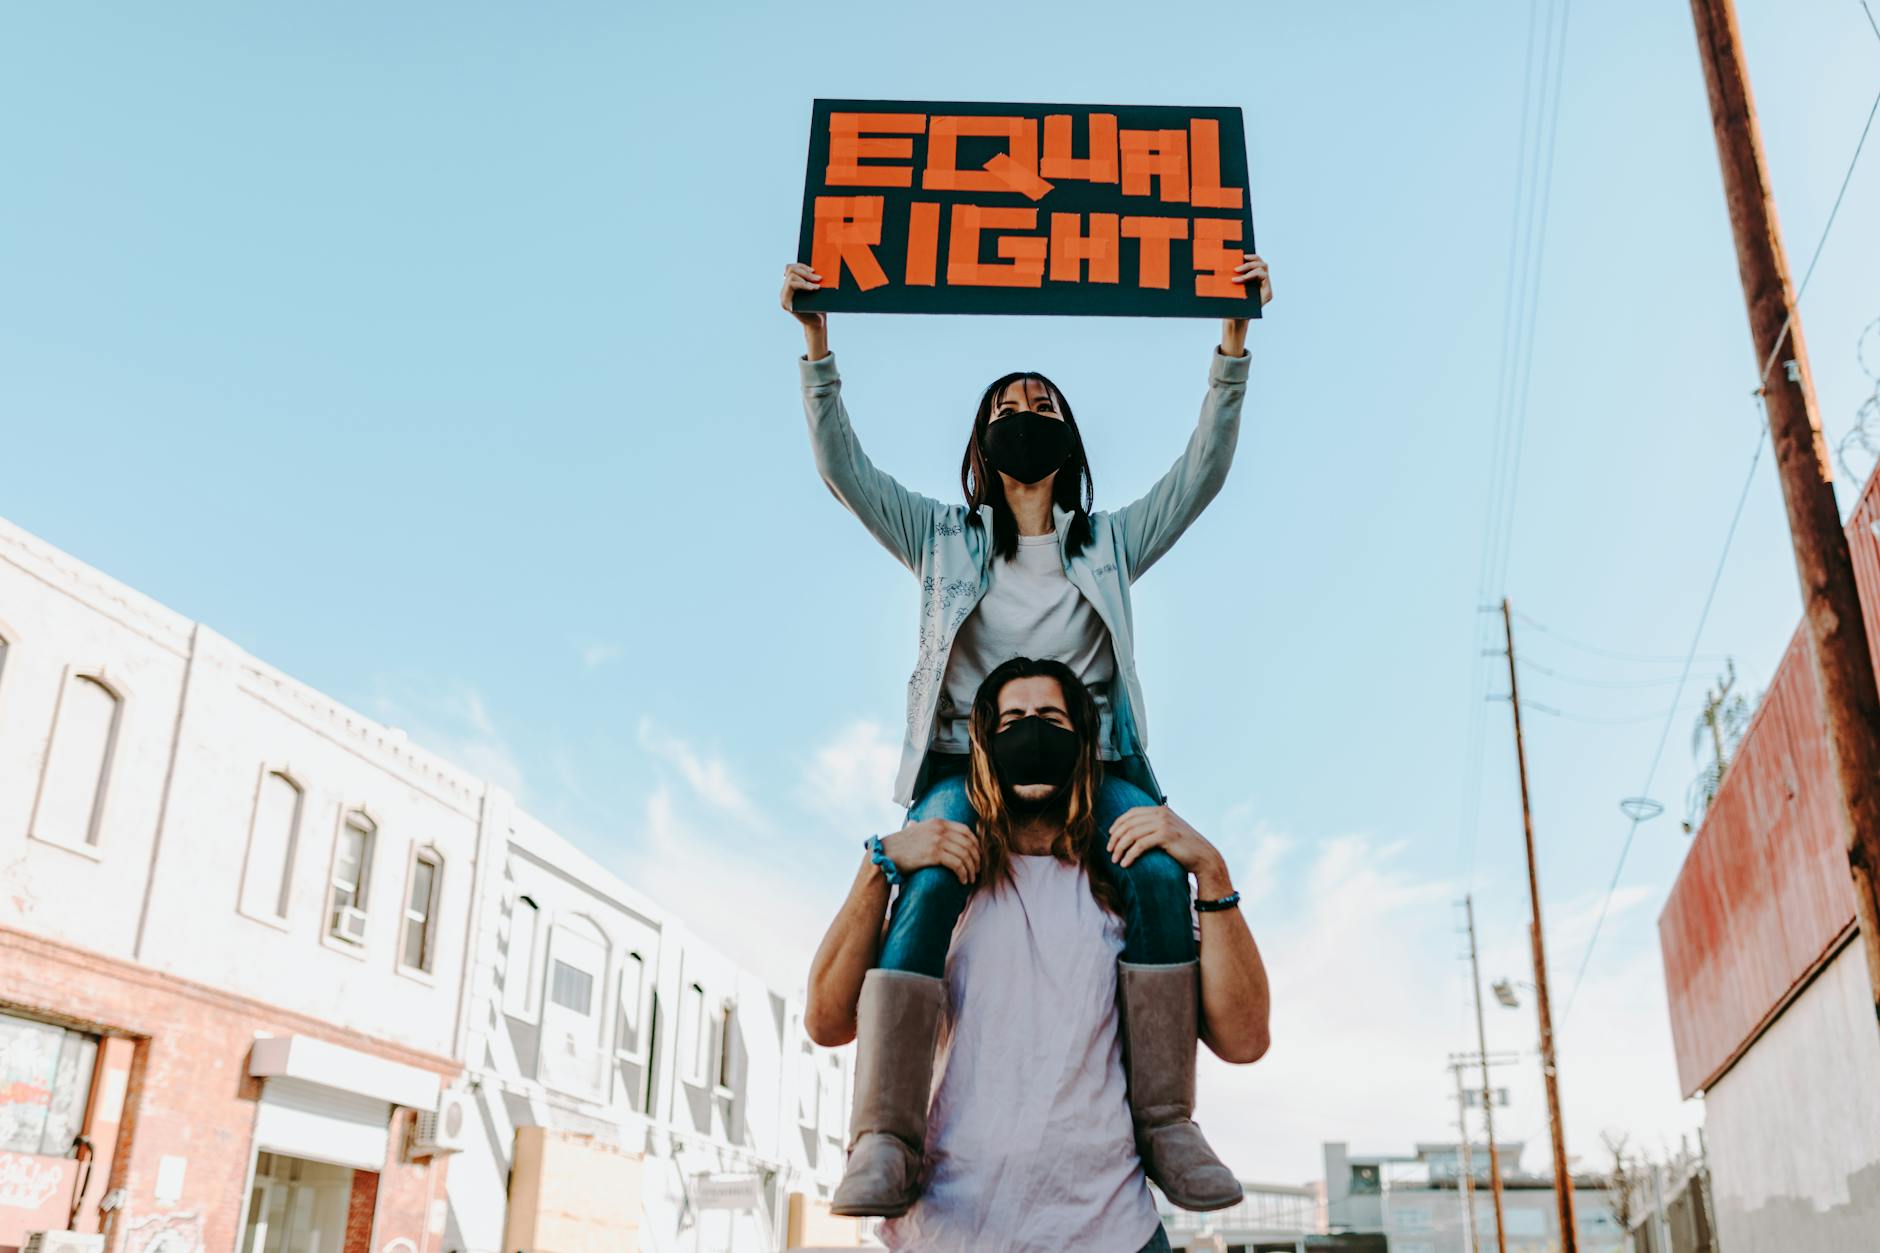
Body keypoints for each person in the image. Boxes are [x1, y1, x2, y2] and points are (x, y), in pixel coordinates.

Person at [781, 253, 1272, 1215]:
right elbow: (846, 472)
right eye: (1008, 402)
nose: (1026, 408)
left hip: (1092, 760)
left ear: (1067, 436)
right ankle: (885, 1134)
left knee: (1156, 869)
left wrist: (1232, 343)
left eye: (1042, 400)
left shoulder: (1109, 542)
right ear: (984, 439)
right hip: (968, 761)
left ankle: (1166, 1117)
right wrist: (816, 344)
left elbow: (1201, 474)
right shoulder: (941, 537)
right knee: (930, 876)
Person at [805, 657, 1272, 1252]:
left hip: (1115, 1234)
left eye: (1051, 719)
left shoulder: (1131, 884)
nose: (1031, 733)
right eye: (1012, 722)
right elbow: (826, 1022)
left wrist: (1212, 869)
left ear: (1083, 741)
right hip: (948, 1233)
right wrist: (878, 866)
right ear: (984, 745)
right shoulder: (938, 882)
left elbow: (1245, 1040)